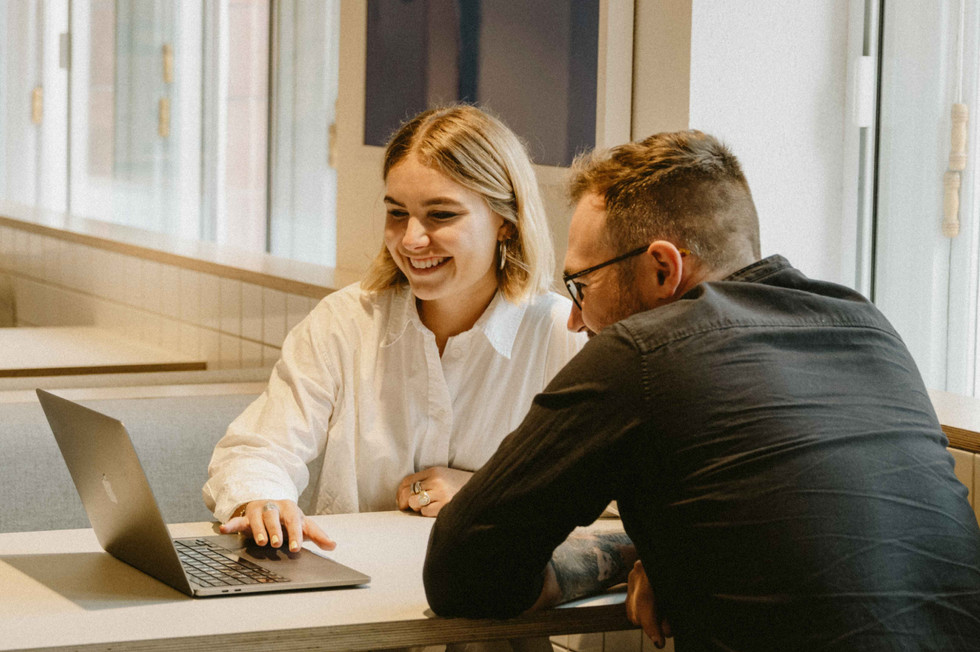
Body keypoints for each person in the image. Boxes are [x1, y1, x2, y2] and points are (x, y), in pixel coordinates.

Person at [423, 130, 980, 650]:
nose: (573, 318)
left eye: (581, 285)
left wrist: (640, 558)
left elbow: (461, 571)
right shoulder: (868, 328)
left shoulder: (638, 354)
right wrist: (675, 556)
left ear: (663, 269)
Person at [202, 105, 586, 554]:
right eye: (397, 213)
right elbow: (256, 449)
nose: (411, 239)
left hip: (495, 604)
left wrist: (486, 492)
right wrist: (262, 498)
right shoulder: (345, 322)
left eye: (441, 215)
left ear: (506, 221)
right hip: (352, 592)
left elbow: (608, 498)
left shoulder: (563, 334)